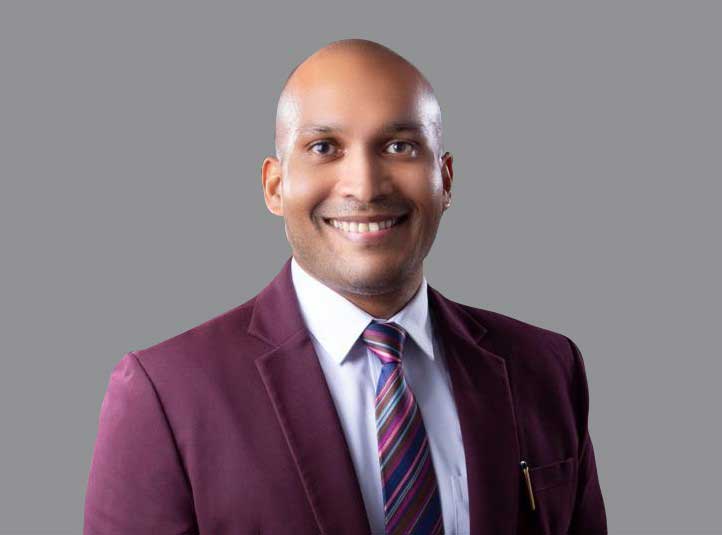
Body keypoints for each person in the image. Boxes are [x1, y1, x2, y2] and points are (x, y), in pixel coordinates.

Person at [84, 38, 607, 535]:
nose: (365, 185)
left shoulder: (547, 368)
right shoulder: (166, 394)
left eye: (400, 146)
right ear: (274, 185)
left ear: (445, 179)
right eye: (324, 147)